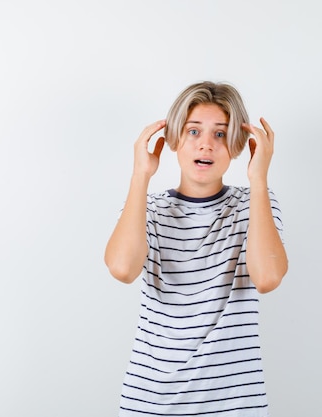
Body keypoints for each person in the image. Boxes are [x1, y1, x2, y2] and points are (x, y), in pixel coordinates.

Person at [104, 81, 288, 417]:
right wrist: (140, 176)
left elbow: (268, 277)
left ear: (236, 145)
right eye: (193, 131)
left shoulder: (253, 205)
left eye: (220, 134)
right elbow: (122, 269)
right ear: (173, 139)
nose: (206, 144)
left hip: (235, 404)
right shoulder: (148, 208)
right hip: (150, 401)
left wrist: (259, 179)